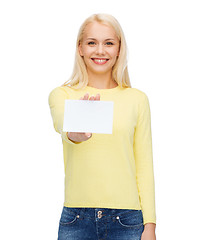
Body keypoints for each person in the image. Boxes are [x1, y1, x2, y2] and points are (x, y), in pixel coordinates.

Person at [48, 13, 156, 240]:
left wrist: (150, 226)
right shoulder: (63, 94)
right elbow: (63, 126)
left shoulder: (137, 99)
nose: (100, 51)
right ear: (80, 48)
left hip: (127, 221)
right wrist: (76, 132)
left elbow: (144, 165)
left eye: (108, 43)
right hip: (76, 220)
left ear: (119, 49)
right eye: (91, 43)